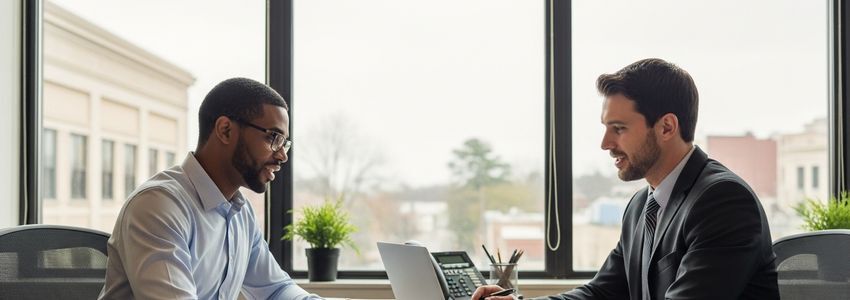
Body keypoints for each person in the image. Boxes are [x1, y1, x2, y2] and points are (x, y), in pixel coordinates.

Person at [472, 58, 779, 300]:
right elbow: (602, 292)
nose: (605, 143)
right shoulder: (642, 206)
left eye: (618, 128)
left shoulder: (722, 201)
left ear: (667, 127)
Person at [99, 78, 322, 299]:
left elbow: (277, 290)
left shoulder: (240, 213)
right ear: (225, 130)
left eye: (285, 143)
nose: (282, 155)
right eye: (274, 137)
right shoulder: (157, 206)